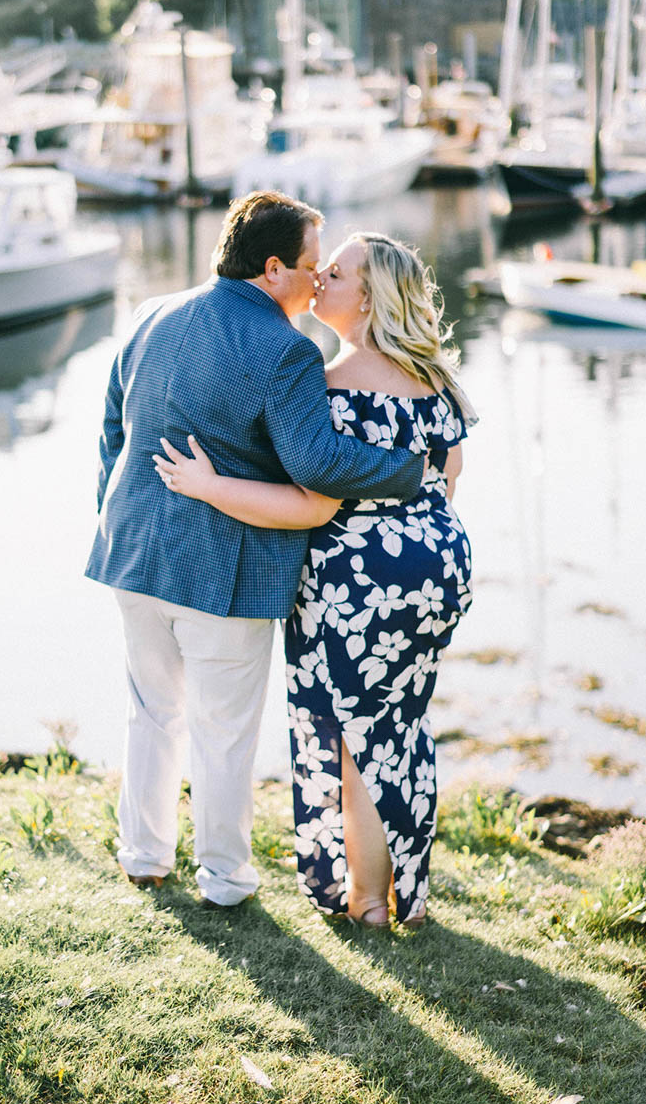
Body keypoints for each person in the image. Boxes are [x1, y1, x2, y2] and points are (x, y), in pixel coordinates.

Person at [86, 196, 424, 908]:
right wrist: (412, 471)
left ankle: (144, 856)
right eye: (309, 268)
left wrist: (109, 513)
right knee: (223, 732)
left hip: (130, 549)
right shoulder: (286, 349)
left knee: (150, 712)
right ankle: (226, 880)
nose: (316, 282)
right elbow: (316, 461)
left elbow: (112, 428)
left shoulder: (152, 312)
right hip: (222, 570)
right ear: (272, 269)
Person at [154, 232, 475, 928]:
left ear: (370, 295)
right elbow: (448, 480)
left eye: (337, 272)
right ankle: (410, 897)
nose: (320, 278)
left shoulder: (331, 385)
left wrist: (209, 486)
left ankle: (367, 902)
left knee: (356, 739)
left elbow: (311, 503)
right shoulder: (440, 382)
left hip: (356, 581)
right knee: (402, 726)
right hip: (439, 567)